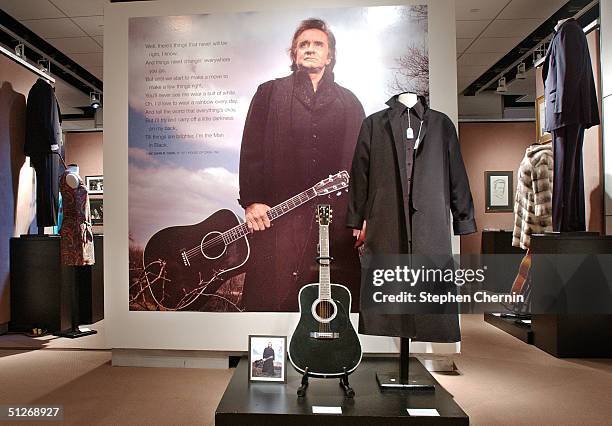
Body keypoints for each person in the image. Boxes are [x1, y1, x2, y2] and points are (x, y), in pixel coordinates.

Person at [238, 18, 365, 311]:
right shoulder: (268, 93)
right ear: (294, 54)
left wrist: (363, 214)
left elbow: (362, 164)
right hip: (277, 215)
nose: (309, 49)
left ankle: (332, 353)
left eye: (317, 44)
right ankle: (269, 356)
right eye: (302, 45)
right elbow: (251, 150)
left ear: (329, 55)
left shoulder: (350, 102)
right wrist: (253, 200)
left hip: (335, 219)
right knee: (271, 295)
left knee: (334, 299)